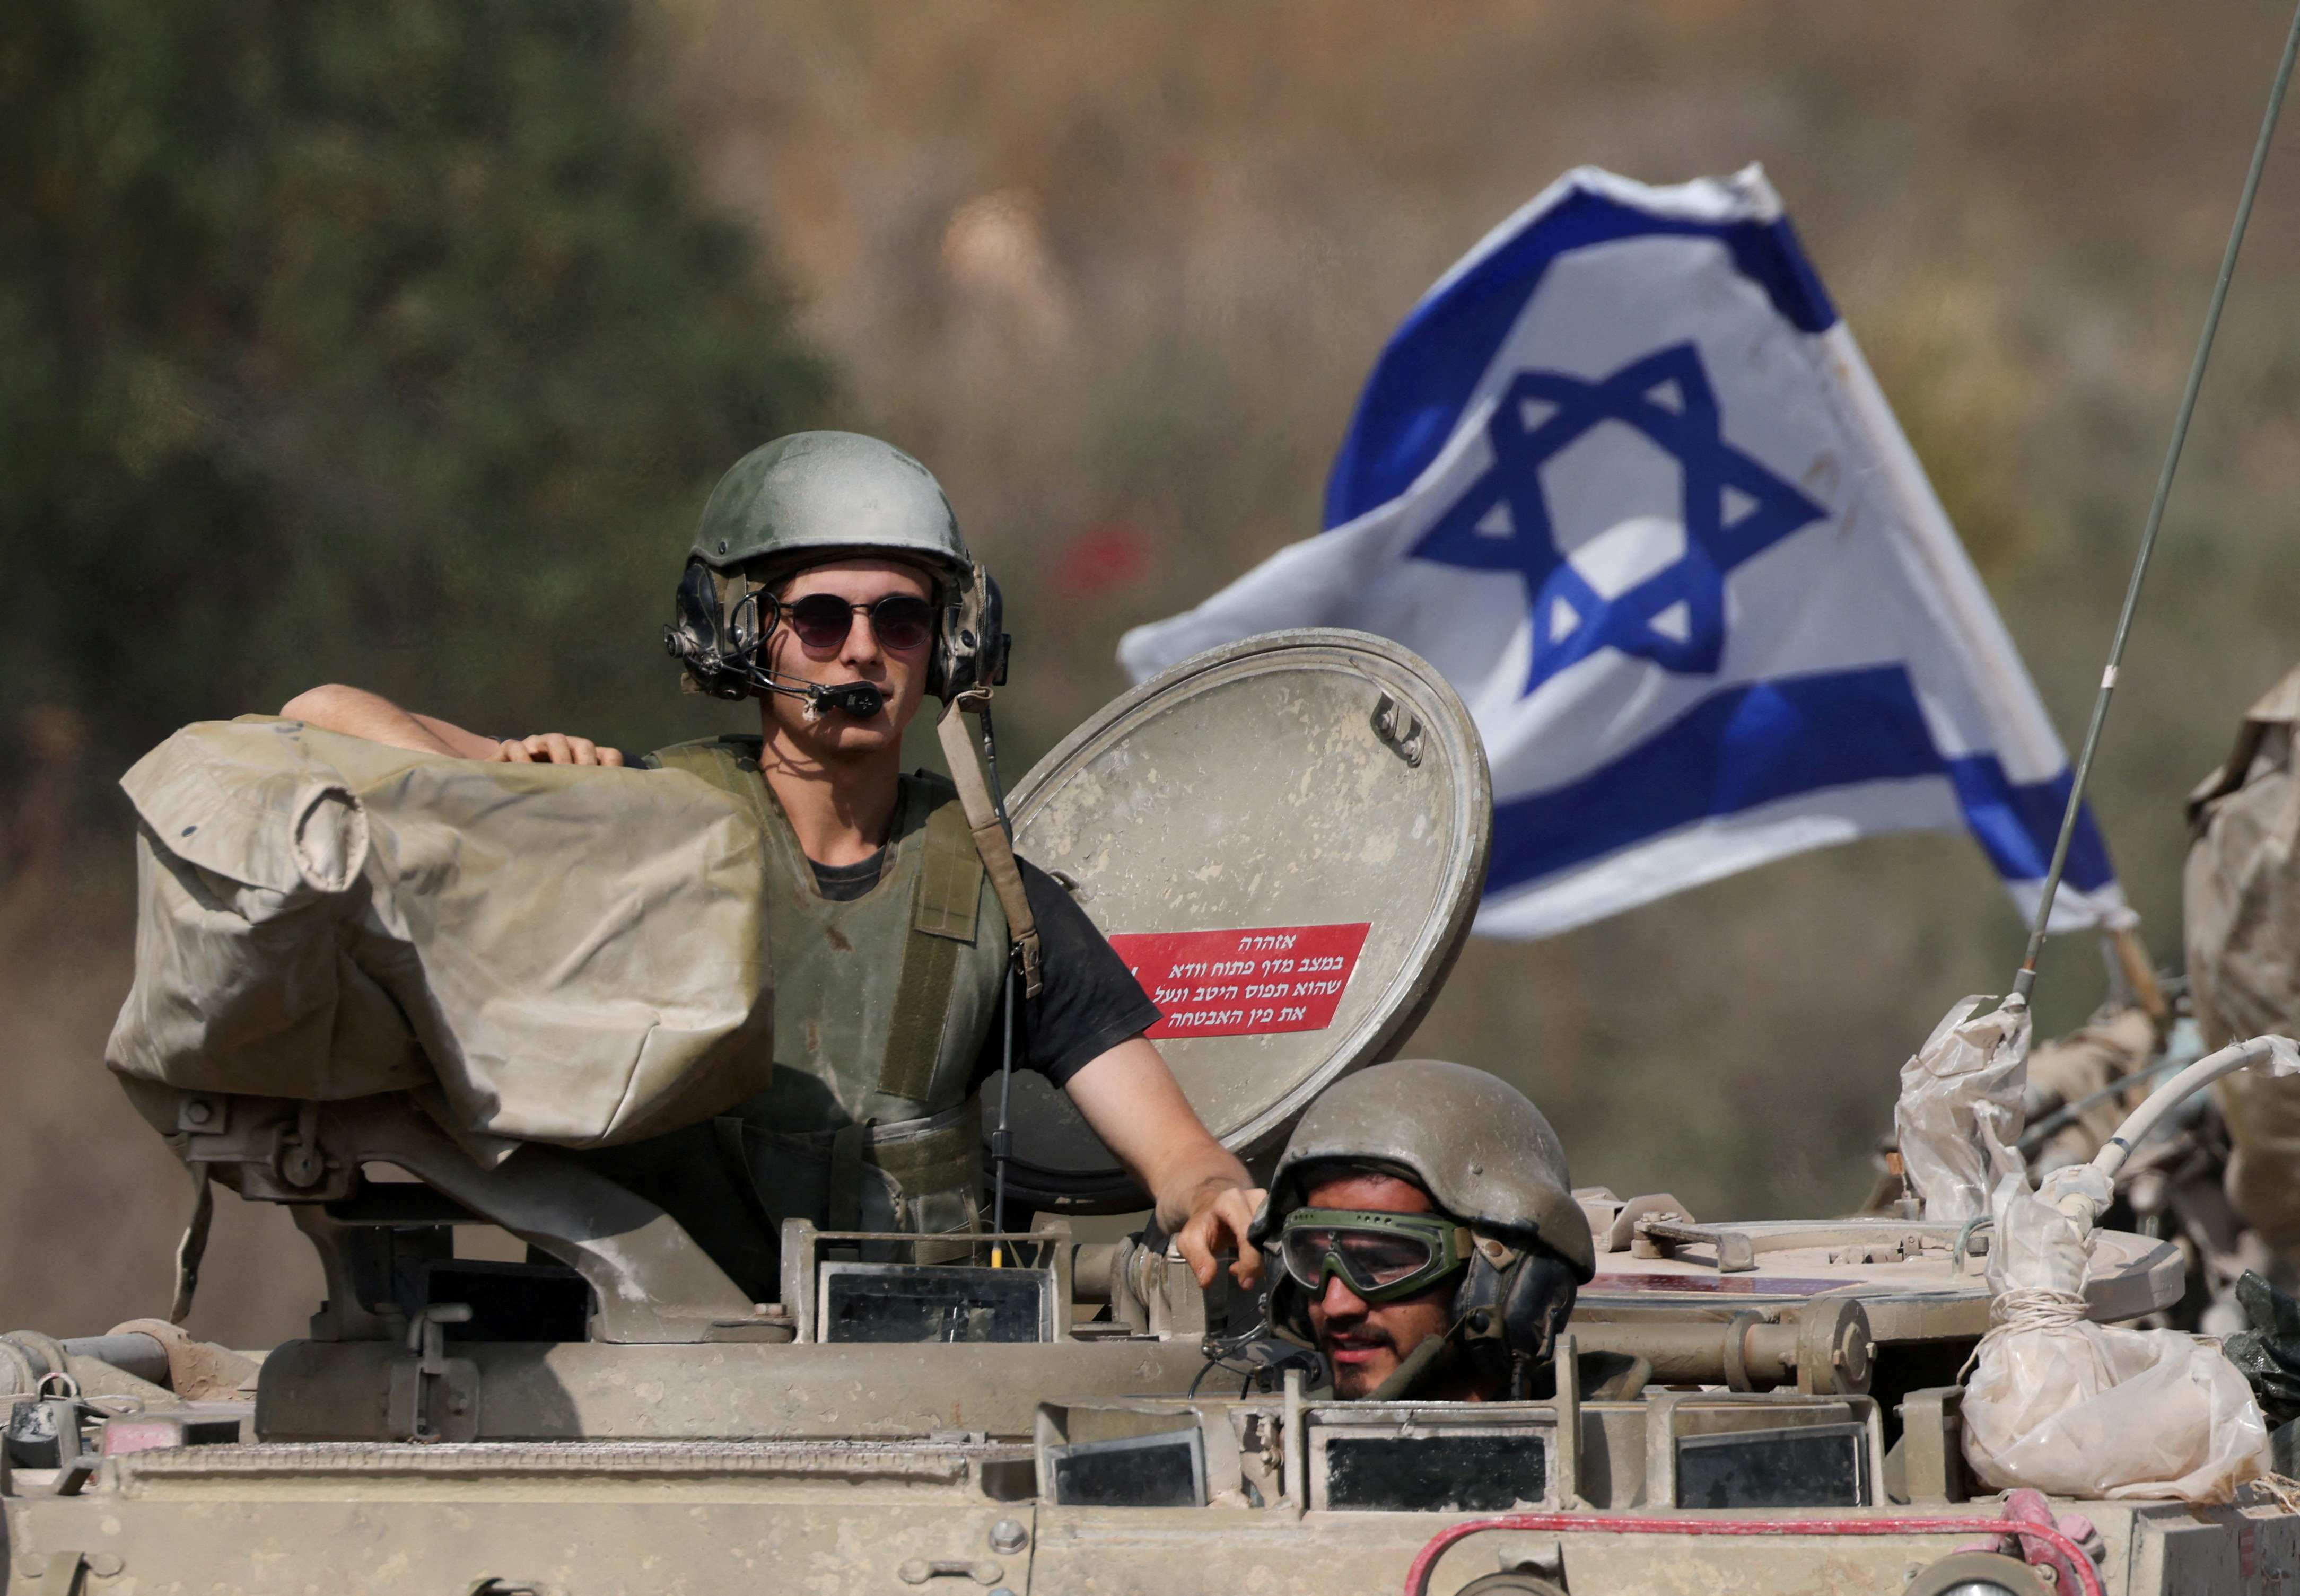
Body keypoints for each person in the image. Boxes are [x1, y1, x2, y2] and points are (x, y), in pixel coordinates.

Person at [281, 430, 1263, 1301]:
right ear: (745, 638)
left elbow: (1174, 1151)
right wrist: (509, 781)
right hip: (643, 1382)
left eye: (902, 622)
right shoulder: (647, 826)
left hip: (922, 1393)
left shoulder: (991, 895)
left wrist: (1211, 1196)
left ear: (951, 650)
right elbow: (321, 716)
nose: (863, 655)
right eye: (824, 619)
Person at [1246, 1058, 1598, 1401]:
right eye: (1311, 1257)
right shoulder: (1265, 1443)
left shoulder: (1617, 1448)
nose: (1336, 1304)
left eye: (1383, 1261)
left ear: (1501, 1287)